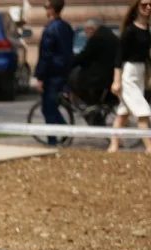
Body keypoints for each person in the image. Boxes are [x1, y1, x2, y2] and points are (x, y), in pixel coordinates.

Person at [110, 0, 151, 153]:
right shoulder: (130, 30)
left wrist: (147, 76)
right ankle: (149, 147)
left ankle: (113, 145)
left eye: (150, 5)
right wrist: (116, 80)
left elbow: (146, 56)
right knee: (143, 111)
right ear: (136, 7)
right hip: (129, 72)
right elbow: (119, 56)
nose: (147, 8)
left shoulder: (147, 29)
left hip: (140, 72)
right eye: (144, 5)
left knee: (123, 113)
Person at [35, 0, 75, 145]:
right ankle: (65, 131)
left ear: (51, 9)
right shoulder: (67, 27)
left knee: (48, 108)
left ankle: (54, 139)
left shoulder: (51, 29)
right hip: (64, 73)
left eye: (46, 6)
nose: (45, 9)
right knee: (52, 106)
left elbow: (46, 55)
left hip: (52, 74)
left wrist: (40, 76)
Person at [72, 19, 120, 108]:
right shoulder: (109, 35)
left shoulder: (97, 38)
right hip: (109, 74)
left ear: (91, 29)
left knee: (75, 81)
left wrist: (70, 62)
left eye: (86, 31)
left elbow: (85, 56)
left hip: (99, 78)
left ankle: (92, 108)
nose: (86, 35)